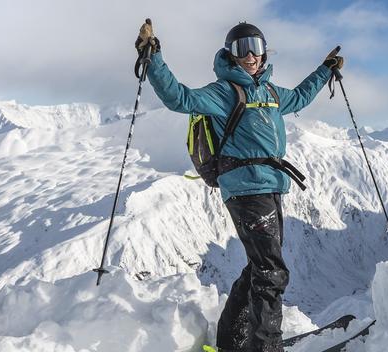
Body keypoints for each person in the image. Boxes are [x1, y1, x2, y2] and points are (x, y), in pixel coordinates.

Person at [136, 21, 344, 352]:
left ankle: (232, 342)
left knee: (259, 268)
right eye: (241, 48)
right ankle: (265, 348)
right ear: (231, 55)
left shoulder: (272, 94)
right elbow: (179, 98)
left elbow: (302, 96)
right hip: (246, 189)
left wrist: (324, 69)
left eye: (255, 47)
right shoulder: (223, 91)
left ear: (264, 53)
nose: (249, 55)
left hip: (272, 186)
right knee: (271, 273)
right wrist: (153, 57)